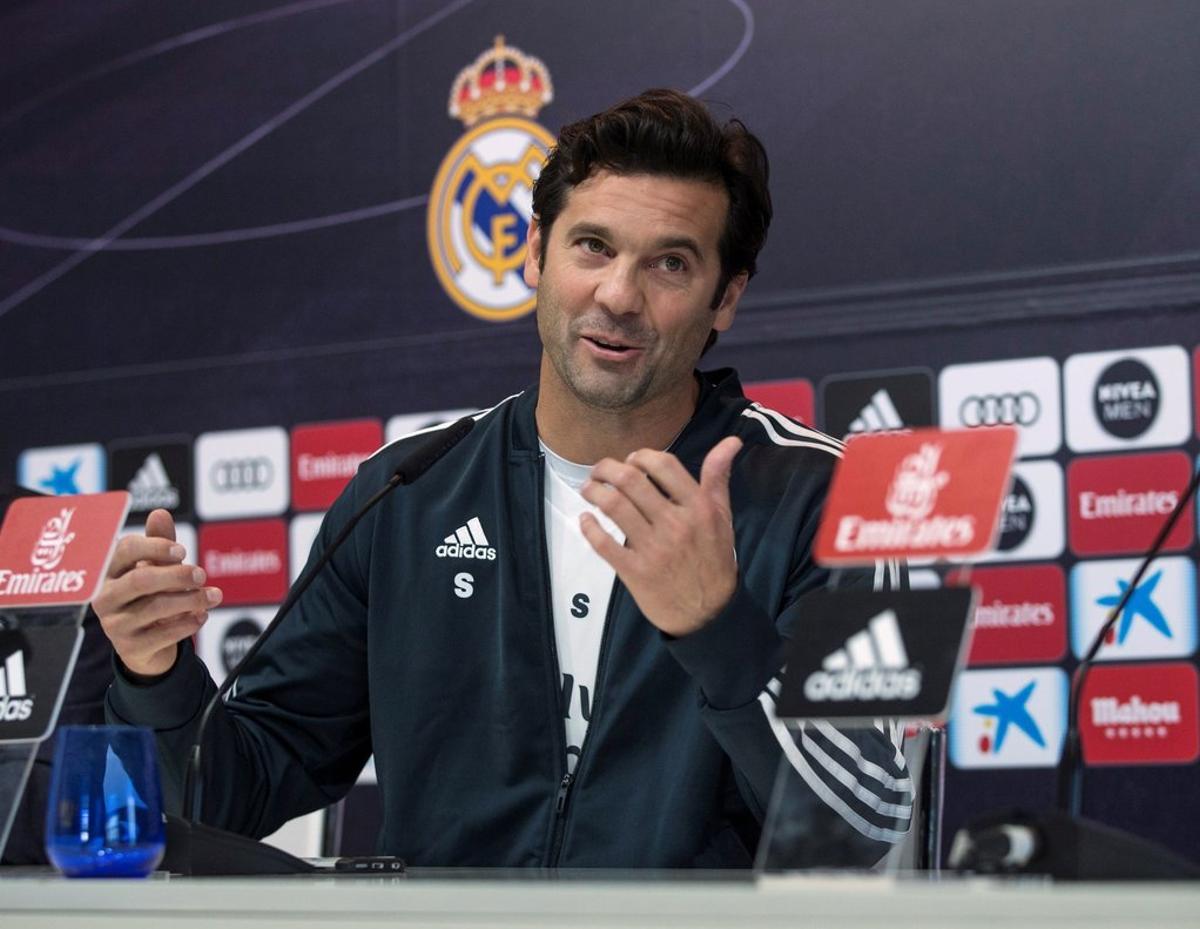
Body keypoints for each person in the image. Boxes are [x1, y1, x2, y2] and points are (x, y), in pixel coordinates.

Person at [96, 89, 911, 868]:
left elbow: (860, 821)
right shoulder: (407, 491)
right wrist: (155, 673)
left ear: (725, 296)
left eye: (669, 264)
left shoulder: (827, 498)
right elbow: (225, 796)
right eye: (592, 247)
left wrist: (716, 629)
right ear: (534, 253)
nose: (618, 295)